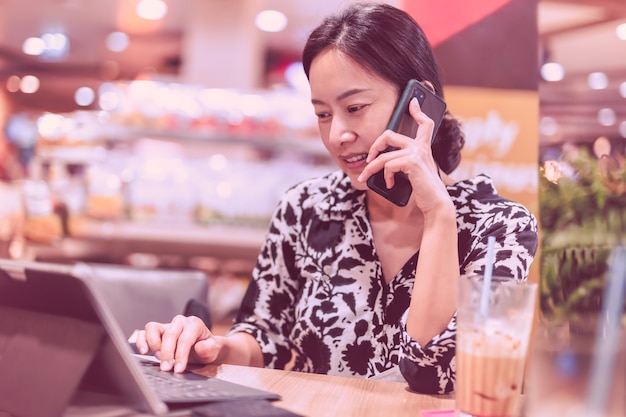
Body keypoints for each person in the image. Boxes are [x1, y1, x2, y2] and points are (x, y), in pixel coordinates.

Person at [136, 2, 538, 394]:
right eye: (324, 114)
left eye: (355, 107)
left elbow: (434, 372)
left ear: (420, 107)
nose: (337, 135)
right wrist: (213, 346)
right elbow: (264, 337)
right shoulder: (305, 209)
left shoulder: (500, 228)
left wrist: (438, 216)